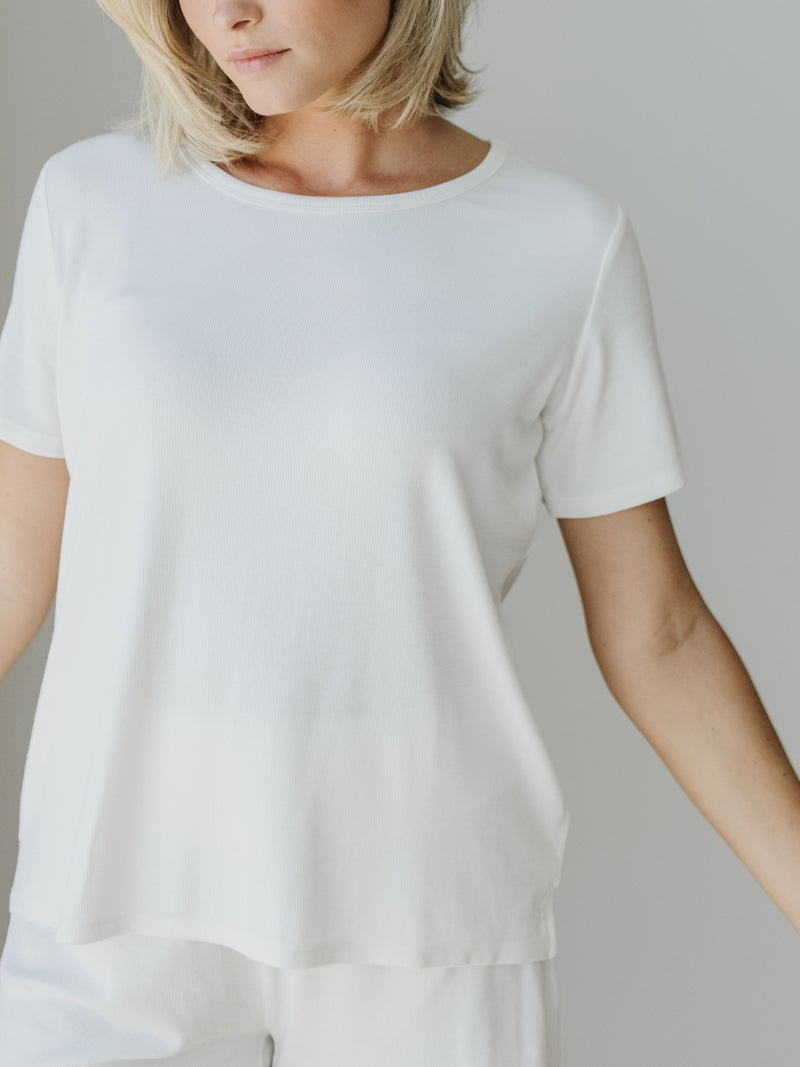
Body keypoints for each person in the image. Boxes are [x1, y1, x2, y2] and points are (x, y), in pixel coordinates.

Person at [0, 0, 798, 1063]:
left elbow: (657, 631)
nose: (226, 13)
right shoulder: (91, 200)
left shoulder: (561, 242)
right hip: (110, 899)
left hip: (425, 913)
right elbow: (16, 548)